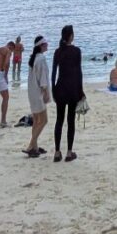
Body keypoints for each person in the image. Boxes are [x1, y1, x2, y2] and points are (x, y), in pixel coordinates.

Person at [51, 24, 84, 163]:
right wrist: (81, 91)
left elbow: (53, 73)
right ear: (71, 36)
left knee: (59, 120)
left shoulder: (57, 52)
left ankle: (57, 152)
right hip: (72, 89)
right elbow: (79, 73)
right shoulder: (76, 51)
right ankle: (69, 153)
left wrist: (53, 89)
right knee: (70, 121)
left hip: (60, 88)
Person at [24, 36, 52, 157]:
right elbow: (43, 78)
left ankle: (34, 147)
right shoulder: (41, 59)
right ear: (41, 46)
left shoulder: (34, 58)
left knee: (36, 121)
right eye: (45, 44)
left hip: (32, 92)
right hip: (38, 93)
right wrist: (46, 92)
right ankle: (31, 145)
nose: (47, 45)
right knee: (44, 120)